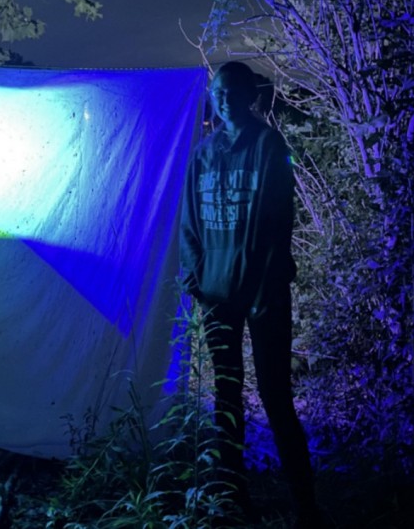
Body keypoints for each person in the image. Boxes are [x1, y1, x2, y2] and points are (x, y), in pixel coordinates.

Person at [179, 61, 319, 527]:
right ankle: (233, 495)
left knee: (276, 395)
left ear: (249, 96)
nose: (221, 99)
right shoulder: (203, 154)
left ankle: (305, 502)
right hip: (218, 294)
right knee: (226, 394)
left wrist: (264, 287)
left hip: (265, 296)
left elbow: (280, 222)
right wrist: (197, 278)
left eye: (230, 91)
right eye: (216, 91)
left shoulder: (267, 145)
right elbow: (189, 223)